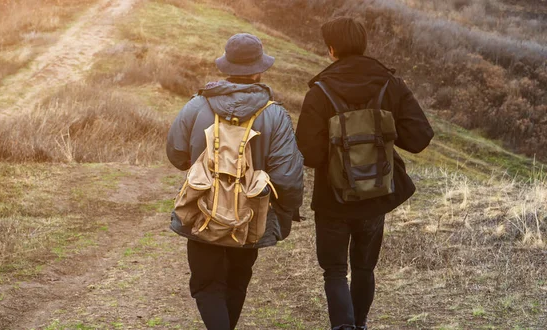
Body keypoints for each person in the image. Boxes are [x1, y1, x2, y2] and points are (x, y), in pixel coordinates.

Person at [296, 17, 434, 330]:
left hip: (332, 198)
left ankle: (343, 326)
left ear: (331, 49)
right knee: (363, 268)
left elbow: (310, 153)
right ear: (364, 44)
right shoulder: (391, 84)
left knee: (334, 270)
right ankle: (359, 324)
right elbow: (419, 137)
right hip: (376, 194)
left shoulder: (319, 91)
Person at [166, 33, 304, 330]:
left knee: (206, 285)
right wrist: (288, 211)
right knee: (237, 282)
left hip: (202, 210)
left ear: (226, 66)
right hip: (251, 217)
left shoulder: (197, 105)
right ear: (259, 69)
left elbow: (176, 155)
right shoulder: (275, 114)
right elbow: (287, 175)